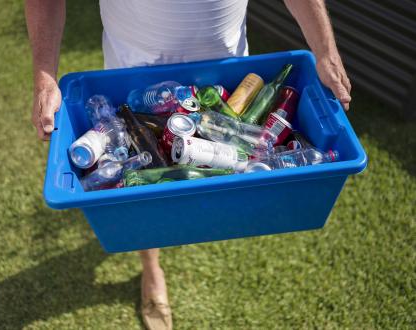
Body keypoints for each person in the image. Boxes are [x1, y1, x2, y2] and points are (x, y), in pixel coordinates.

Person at [25, 1, 351, 329]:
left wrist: (325, 50)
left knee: (206, 184)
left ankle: (198, 217)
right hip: (134, 76)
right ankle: (152, 270)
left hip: (228, 79)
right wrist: (44, 76)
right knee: (144, 193)